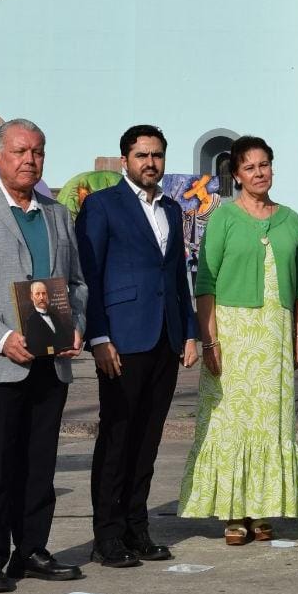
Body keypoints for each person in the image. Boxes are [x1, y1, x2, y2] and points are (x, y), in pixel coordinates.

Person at [0, 118, 87, 593]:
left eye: (38, 152)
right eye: (21, 151)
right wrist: (3, 338)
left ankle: (31, 551)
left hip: (52, 360)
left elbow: (78, 283)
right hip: (1, 361)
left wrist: (76, 326)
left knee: (40, 465)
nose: (31, 160)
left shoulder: (57, 214)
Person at [76, 125, 198, 569]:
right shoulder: (102, 206)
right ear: (125, 159)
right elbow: (89, 277)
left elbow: (177, 277)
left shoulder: (172, 207)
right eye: (142, 155)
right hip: (122, 340)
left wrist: (189, 331)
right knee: (117, 438)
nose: (151, 162)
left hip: (165, 337)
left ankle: (136, 527)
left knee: (148, 440)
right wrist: (99, 337)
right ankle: (106, 536)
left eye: (158, 155)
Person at [178, 136, 298, 544]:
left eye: (264, 165)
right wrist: (210, 340)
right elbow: (206, 280)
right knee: (231, 422)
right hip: (233, 333)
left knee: (271, 422)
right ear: (236, 174)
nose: (259, 173)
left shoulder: (290, 219)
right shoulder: (224, 218)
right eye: (250, 167)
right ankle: (234, 511)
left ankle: (262, 508)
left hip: (275, 333)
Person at [22, 280, 68, 356]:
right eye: (37, 294)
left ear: (47, 295)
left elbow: (64, 339)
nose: (41, 298)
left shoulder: (55, 318)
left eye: (44, 293)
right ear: (31, 296)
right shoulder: (29, 320)